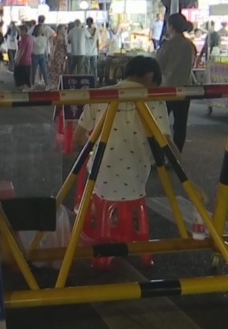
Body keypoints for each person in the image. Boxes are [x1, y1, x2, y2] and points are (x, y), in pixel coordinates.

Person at [72, 55, 173, 202]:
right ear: (150, 77)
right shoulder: (155, 99)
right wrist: (188, 179)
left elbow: (77, 138)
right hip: (136, 182)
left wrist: (97, 149)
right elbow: (167, 143)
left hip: (99, 177)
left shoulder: (100, 95)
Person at [156, 13, 198, 152]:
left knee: (160, 123)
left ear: (171, 26)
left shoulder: (168, 45)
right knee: (180, 124)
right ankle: (176, 154)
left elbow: (158, 65)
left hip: (167, 89)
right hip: (186, 88)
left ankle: (160, 154)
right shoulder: (190, 45)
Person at [14, 24, 34, 91]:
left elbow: (21, 50)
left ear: (23, 31)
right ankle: (28, 87)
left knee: (20, 75)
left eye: (19, 31)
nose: (18, 32)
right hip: (28, 60)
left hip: (23, 60)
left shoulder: (24, 39)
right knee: (27, 76)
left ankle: (23, 88)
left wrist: (18, 59)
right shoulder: (30, 38)